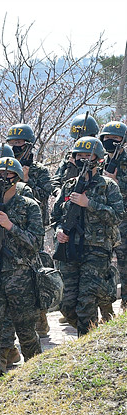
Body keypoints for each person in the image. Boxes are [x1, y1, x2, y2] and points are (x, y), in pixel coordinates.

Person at [0, 157, 44, 390]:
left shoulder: (29, 207)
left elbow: (35, 243)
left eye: (7, 175)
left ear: (16, 177)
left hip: (20, 280)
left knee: (26, 330)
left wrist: (10, 226)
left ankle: (38, 378)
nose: (2, 179)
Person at [52, 136, 124, 336]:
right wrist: (59, 230)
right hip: (70, 250)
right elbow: (56, 216)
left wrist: (89, 204)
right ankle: (94, 333)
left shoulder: (108, 186)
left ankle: (86, 342)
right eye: (80, 155)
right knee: (67, 305)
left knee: (86, 302)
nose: (83, 159)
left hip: (96, 251)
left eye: (88, 155)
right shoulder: (68, 186)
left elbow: (117, 216)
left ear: (99, 159)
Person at [5, 123, 53, 337]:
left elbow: (46, 193)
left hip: (33, 229)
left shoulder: (39, 170)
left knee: (36, 272)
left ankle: (41, 317)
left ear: (29, 145)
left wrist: (25, 179)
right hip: (8, 228)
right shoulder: (4, 168)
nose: (15, 147)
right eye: (12, 143)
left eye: (19, 143)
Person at [99, 121, 127, 313]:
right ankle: (105, 310)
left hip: (124, 221)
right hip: (102, 223)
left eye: (115, 139)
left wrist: (116, 183)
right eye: (107, 138)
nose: (110, 142)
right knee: (101, 267)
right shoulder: (98, 161)